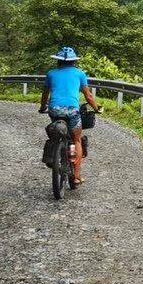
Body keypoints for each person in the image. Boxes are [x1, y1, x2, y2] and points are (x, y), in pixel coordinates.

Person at [38, 46, 101, 185]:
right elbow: (88, 96)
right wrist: (96, 108)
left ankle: (56, 153)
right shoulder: (79, 73)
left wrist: (43, 108)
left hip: (54, 109)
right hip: (72, 109)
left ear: (58, 60)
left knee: (57, 132)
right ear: (73, 61)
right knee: (76, 140)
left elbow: (45, 95)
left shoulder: (51, 73)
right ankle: (76, 176)